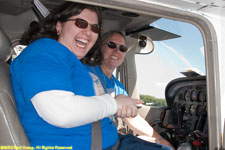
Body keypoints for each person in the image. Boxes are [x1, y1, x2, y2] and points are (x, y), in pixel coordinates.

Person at [10, 2, 140, 149]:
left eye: (94, 28)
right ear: (59, 26)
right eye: (81, 23)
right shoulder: (45, 50)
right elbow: (61, 112)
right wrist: (115, 103)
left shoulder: (72, 63)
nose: (88, 32)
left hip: (111, 142)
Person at [84, 30, 175, 150]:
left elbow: (132, 117)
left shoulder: (117, 85)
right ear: (101, 46)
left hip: (114, 139)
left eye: (122, 48)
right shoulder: (85, 73)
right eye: (112, 45)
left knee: (166, 148)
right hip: (93, 142)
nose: (117, 51)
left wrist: (160, 139)